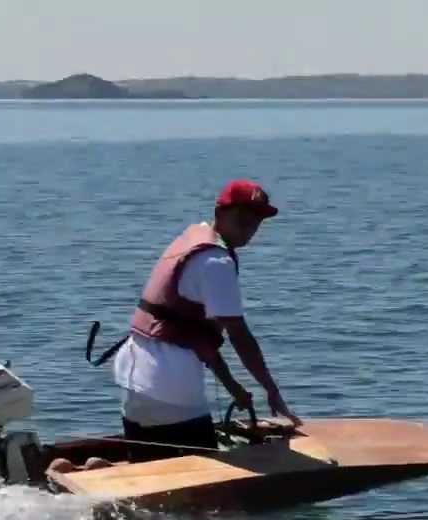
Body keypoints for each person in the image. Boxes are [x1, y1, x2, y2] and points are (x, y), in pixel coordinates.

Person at [111, 179, 301, 457]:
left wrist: (232, 386)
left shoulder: (193, 239)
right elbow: (239, 335)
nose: (249, 228)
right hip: (171, 387)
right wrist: (271, 390)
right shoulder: (216, 262)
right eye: (242, 218)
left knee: (149, 470)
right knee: (205, 471)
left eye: (256, 221)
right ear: (219, 212)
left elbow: (194, 335)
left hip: (133, 379)